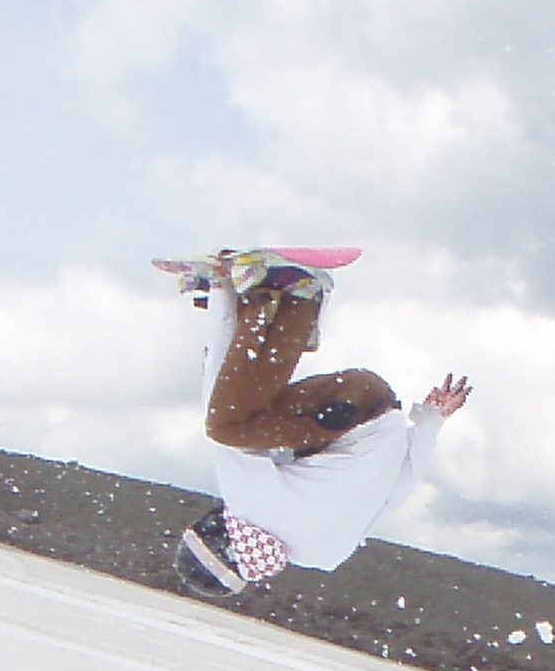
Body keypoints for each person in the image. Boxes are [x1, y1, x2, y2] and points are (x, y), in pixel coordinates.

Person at [164, 249, 471, 597]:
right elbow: (215, 402)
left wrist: (432, 420)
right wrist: (222, 290)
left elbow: (398, 489)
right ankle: (278, 299)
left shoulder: (327, 554)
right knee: (226, 425)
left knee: (252, 410)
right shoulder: (248, 503)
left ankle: (290, 318)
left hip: (376, 409)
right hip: (350, 408)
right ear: (217, 537)